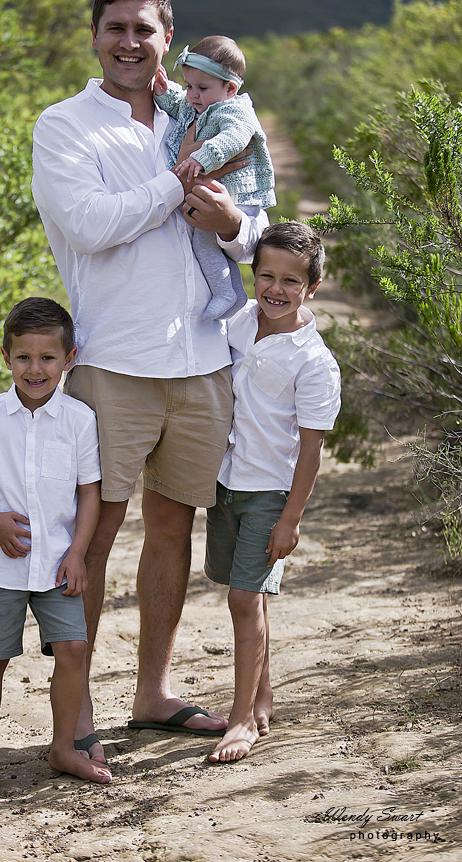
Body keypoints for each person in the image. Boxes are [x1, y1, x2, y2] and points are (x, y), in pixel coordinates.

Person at [31, 0, 271, 762]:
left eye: (144, 29)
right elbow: (92, 225)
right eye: (116, 28)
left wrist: (230, 222)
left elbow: (254, 232)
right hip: (112, 360)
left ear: (168, 38)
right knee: (92, 538)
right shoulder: (65, 125)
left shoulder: (204, 115)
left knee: (172, 529)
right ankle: (73, 718)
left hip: (202, 359)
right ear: (95, 36)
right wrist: (177, 183)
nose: (129, 42)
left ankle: (152, 694)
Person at [0, 298, 112, 786]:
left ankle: (63, 748)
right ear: (6, 357)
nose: (35, 369)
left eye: (47, 358)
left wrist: (78, 553)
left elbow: (89, 492)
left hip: (59, 563)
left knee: (73, 650)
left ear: (69, 358)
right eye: (23, 357)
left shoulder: (79, 420)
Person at [204, 221, 341, 764]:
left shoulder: (314, 362)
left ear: (312, 288)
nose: (275, 289)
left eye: (291, 281)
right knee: (251, 595)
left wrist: (291, 519)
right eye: (266, 276)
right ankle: (262, 693)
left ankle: (240, 719)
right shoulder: (238, 322)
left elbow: (311, 449)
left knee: (242, 599)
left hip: (270, 492)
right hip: (226, 484)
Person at [153, 36, 275, 321]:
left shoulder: (235, 111)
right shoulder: (202, 105)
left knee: (203, 241)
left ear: (230, 88)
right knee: (209, 244)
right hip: (221, 191)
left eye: (202, 88)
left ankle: (225, 293)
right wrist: (163, 92)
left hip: (236, 193)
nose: (192, 95)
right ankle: (233, 293)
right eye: (188, 86)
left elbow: (233, 139)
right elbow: (179, 105)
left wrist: (201, 158)